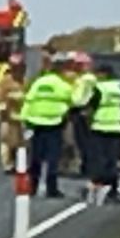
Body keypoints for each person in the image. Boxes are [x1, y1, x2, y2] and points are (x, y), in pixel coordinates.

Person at [19, 51, 76, 198]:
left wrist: (25, 121)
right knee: (52, 158)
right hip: (54, 124)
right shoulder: (63, 84)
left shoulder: (39, 82)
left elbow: (28, 101)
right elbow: (73, 101)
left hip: (36, 123)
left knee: (36, 157)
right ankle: (52, 189)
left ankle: (32, 187)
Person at [89, 62, 120, 204]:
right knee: (112, 160)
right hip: (115, 126)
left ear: (104, 74)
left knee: (99, 159)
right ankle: (113, 191)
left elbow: (92, 104)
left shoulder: (100, 88)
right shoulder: (118, 87)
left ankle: (97, 190)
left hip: (100, 125)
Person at [0, 53, 27, 175]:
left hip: (22, 116)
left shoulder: (26, 81)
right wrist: (2, 112)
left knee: (22, 142)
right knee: (6, 142)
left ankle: (21, 164)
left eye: (21, 67)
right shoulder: (4, 82)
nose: (19, 69)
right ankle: (7, 165)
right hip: (7, 117)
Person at [67, 53, 97, 177]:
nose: (76, 67)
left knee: (84, 140)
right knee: (80, 140)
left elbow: (80, 97)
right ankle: (85, 165)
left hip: (82, 111)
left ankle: (87, 166)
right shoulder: (82, 78)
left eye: (79, 64)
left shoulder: (87, 79)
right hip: (79, 110)